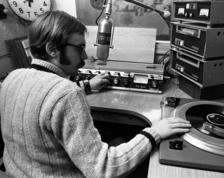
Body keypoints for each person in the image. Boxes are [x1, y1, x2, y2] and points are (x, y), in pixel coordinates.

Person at [0, 10, 191, 178]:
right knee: (127, 144)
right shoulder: (66, 93)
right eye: (79, 48)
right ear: (52, 49)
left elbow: (44, 101)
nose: (84, 57)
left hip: (17, 172)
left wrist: (88, 86)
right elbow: (104, 170)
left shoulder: (12, 78)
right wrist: (154, 132)